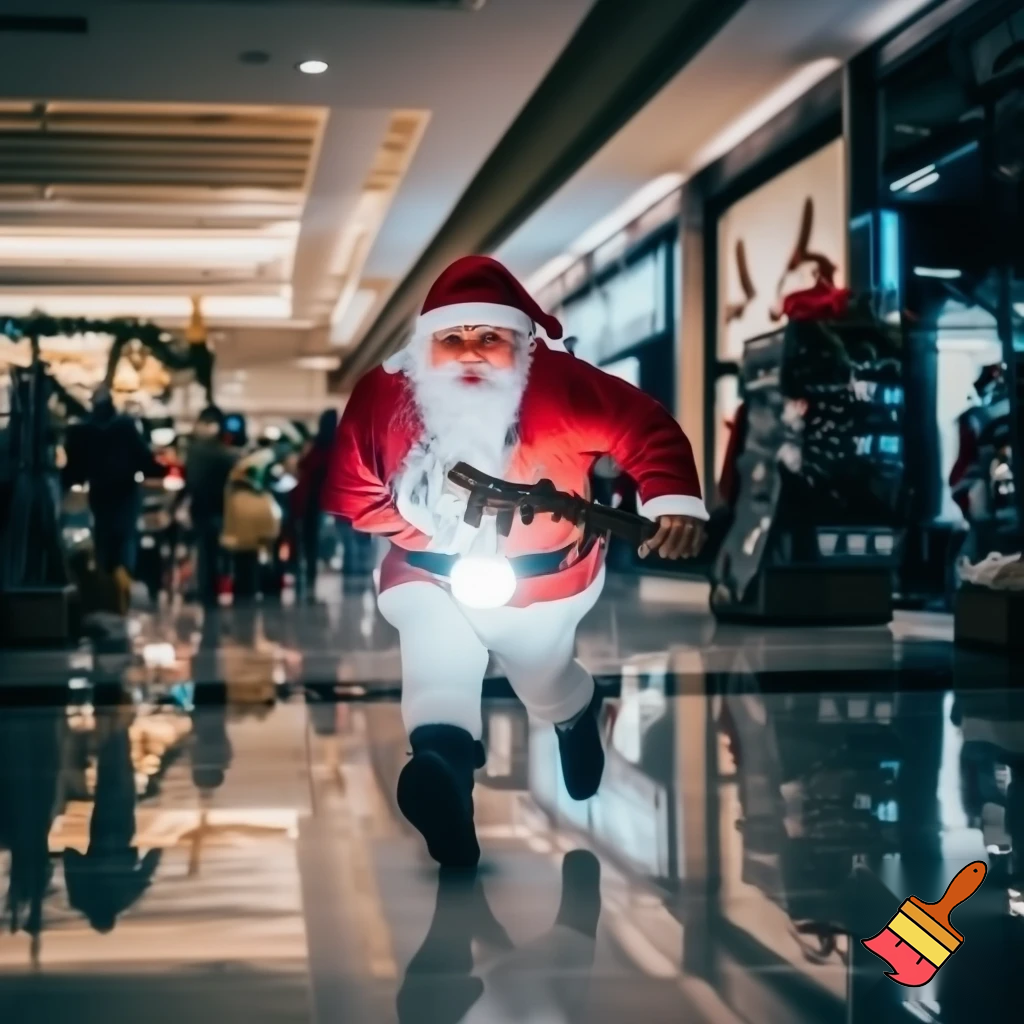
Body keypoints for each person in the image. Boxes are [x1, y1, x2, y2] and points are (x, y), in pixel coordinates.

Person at [326, 255, 707, 867]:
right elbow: (352, 492)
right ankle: (443, 775)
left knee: (541, 676)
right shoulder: (383, 396)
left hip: (546, 578)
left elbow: (646, 430)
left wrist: (672, 501)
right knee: (436, 658)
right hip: (431, 571)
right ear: (428, 344)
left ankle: (575, 709)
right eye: (452, 338)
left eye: (489, 338)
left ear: (522, 342)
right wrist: (419, 522)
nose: (470, 351)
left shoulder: (563, 387)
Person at [65, 387, 166, 611]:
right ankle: (122, 587)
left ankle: (106, 586)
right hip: (126, 492)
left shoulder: (84, 429)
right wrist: (158, 470)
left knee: (103, 537)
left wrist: (71, 481)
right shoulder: (125, 426)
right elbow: (143, 457)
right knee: (125, 537)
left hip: (100, 492)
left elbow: (75, 466)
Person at [184, 406, 237, 607]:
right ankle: (211, 590)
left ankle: (206, 591)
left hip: (200, 508)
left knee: (205, 551)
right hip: (219, 508)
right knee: (213, 551)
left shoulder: (194, 451)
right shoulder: (224, 453)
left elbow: (190, 482)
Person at [291, 409, 338, 600]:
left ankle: (306, 575)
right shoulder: (335, 446)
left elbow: (303, 466)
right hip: (324, 501)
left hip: (307, 499)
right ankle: (311, 575)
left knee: (306, 541)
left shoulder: (315, 446)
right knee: (316, 541)